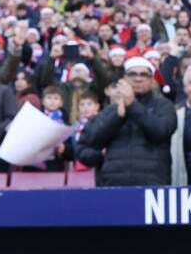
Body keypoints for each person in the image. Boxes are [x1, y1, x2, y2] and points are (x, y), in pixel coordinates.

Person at [75, 56, 176, 186]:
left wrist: (132, 105)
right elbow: (89, 141)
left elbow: (161, 132)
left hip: (152, 184)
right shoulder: (110, 110)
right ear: (124, 79)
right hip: (112, 185)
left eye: (144, 74)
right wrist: (117, 117)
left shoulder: (163, 105)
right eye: (132, 74)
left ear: (152, 80)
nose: (138, 78)